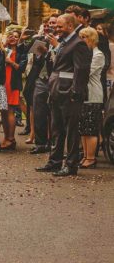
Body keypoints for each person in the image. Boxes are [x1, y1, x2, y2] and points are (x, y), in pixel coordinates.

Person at [36, 14, 92, 177]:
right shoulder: (63, 43)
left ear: (70, 26)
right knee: (56, 129)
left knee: (71, 130)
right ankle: (54, 162)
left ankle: (71, 165)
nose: (56, 29)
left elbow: (81, 71)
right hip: (56, 91)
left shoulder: (79, 44)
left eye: (60, 26)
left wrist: (75, 93)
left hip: (69, 94)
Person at [29, 14, 58, 154]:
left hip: (54, 79)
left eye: (54, 23)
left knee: (53, 114)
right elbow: (36, 60)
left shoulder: (62, 41)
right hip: (41, 78)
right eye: (50, 23)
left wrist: (50, 51)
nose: (51, 25)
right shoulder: (41, 39)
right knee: (38, 111)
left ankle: (53, 143)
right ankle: (40, 143)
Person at [78, 27, 105, 169]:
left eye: (84, 37)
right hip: (83, 94)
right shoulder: (85, 54)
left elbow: (86, 72)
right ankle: (85, 155)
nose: (82, 40)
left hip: (93, 94)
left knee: (91, 127)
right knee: (83, 128)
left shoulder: (98, 54)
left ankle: (91, 157)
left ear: (92, 38)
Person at [0, 30, 28, 150]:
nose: (13, 38)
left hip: (12, 83)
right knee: (3, 111)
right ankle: (6, 137)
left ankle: (11, 139)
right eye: (11, 36)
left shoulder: (22, 52)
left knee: (10, 110)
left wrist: (10, 62)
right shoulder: (3, 50)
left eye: (16, 37)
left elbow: (21, 68)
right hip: (2, 82)